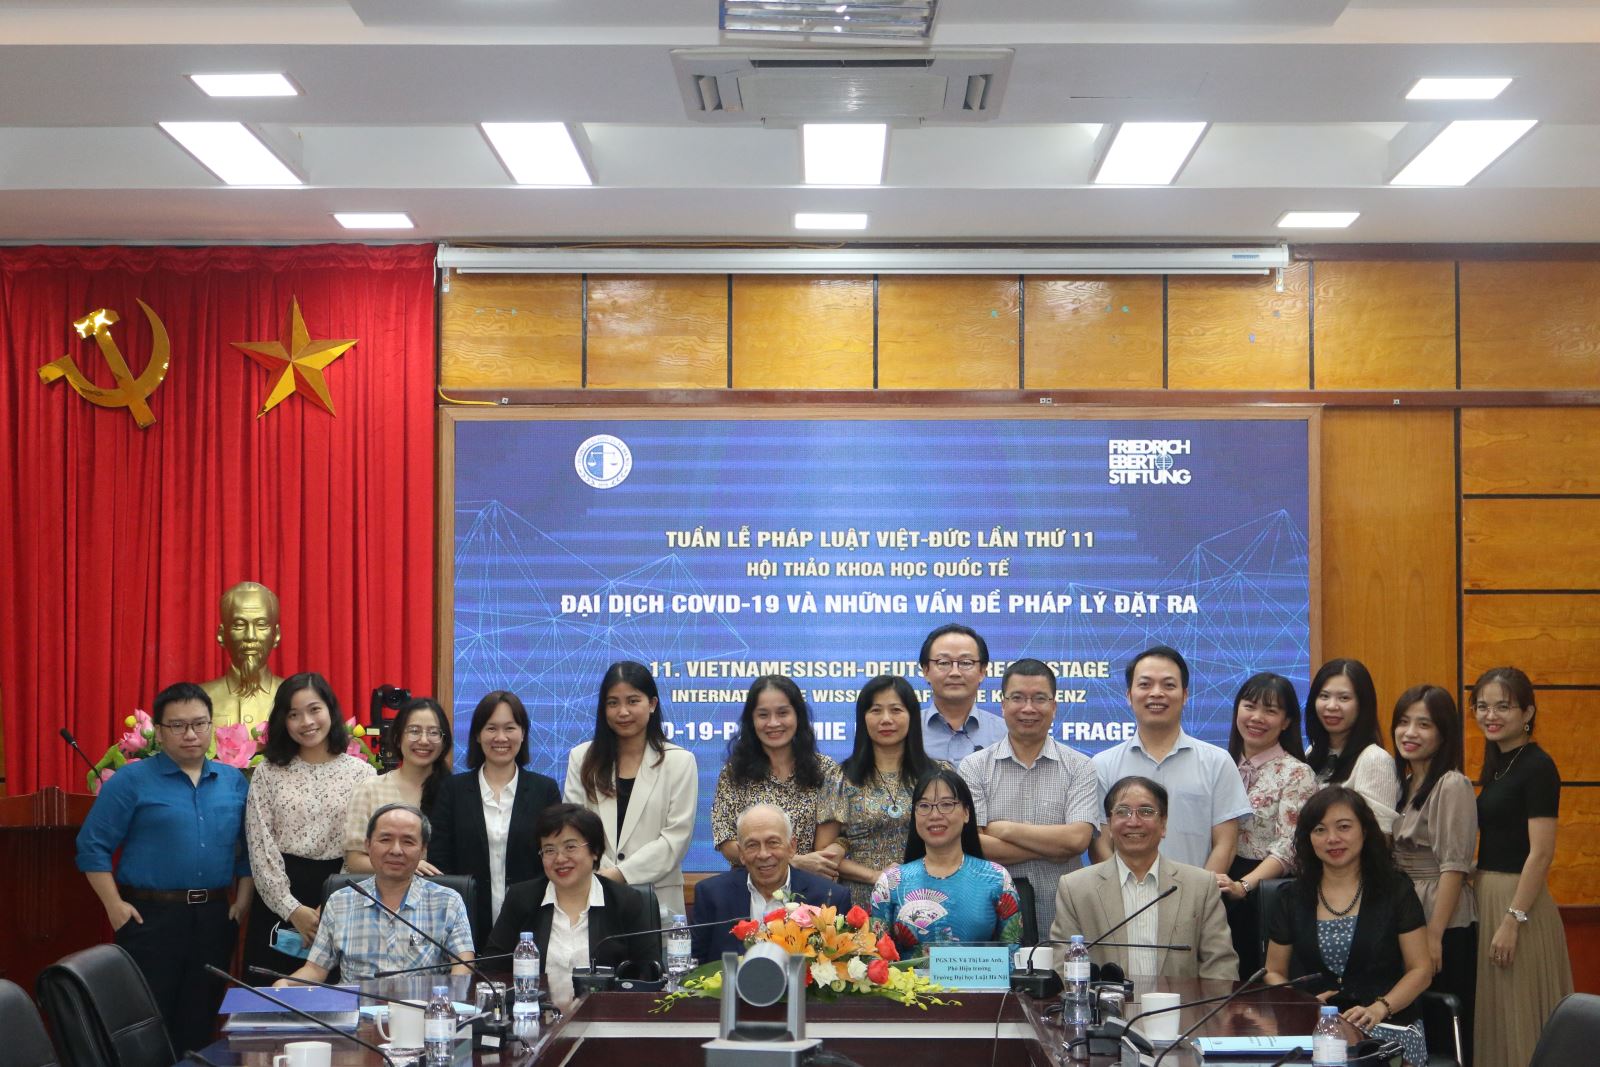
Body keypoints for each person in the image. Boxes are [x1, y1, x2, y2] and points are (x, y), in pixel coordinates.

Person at [75, 682, 253, 1055]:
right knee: (147, 1023)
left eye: (199, 724)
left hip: (214, 917)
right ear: (158, 730)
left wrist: (242, 901)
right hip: (150, 918)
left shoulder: (232, 781)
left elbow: (248, 849)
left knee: (201, 1019)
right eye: (178, 725)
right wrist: (113, 905)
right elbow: (92, 845)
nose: (190, 734)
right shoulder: (131, 781)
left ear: (211, 726)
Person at [1265, 786, 1432, 1067]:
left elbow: (1421, 970)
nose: (1332, 839)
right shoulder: (1292, 897)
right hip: (1316, 1027)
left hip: (1387, 1024)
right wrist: (1301, 1003)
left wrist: (1380, 1007)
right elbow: (1273, 972)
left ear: (1364, 831)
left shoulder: (1395, 889)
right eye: (1320, 830)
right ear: (1308, 838)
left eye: (1343, 827)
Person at [1469, 667, 1572, 1067]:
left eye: (1503, 706)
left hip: (1518, 906)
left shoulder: (1537, 766)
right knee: (1499, 1018)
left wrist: (1513, 919)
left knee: (1521, 1021)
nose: (1490, 715)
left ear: (1527, 712)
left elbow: (1541, 853)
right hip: (1489, 895)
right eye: (1482, 706)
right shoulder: (1499, 763)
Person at [245, 671, 375, 976]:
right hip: (278, 897)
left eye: (314, 709)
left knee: (337, 995)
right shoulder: (268, 772)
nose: (306, 722)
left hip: (342, 893)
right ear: (283, 721)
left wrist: (331, 902)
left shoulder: (362, 774)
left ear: (331, 710)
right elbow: (260, 844)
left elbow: (365, 846)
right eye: (294, 714)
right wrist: (292, 909)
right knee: (273, 995)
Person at [958, 657, 1098, 936]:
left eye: (1039, 698)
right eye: (1018, 698)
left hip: (1063, 920)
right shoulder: (974, 767)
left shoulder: (1080, 766)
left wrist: (1004, 829)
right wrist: (1053, 849)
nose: (1028, 708)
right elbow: (974, 846)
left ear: (1054, 706)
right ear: (1003, 704)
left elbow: (1077, 840)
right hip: (991, 919)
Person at [1051, 776, 1238, 981]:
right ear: (1109, 825)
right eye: (1122, 812)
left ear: (1163, 824)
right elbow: (1063, 969)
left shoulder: (1200, 885)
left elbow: (1220, 966)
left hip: (1183, 1002)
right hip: (1105, 1001)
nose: (1133, 822)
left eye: (1146, 812)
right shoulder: (1075, 888)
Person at [1090, 645, 1251, 873]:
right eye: (1145, 684)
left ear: (1185, 695)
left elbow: (1226, 844)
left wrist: (1199, 890)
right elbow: (1100, 844)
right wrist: (1124, 889)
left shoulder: (1218, 762)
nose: (1156, 693)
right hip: (1123, 894)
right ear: (1129, 696)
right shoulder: (1102, 765)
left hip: (1196, 893)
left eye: (1168, 685)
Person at [487, 804, 659, 1012]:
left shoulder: (626, 902)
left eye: (570, 847)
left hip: (608, 1019)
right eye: (549, 850)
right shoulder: (522, 899)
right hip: (535, 1019)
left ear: (594, 851)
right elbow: (492, 970)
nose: (560, 859)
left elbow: (649, 976)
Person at [278, 804, 474, 985]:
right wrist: (286, 984)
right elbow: (315, 970)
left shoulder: (448, 901)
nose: (396, 850)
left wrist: (447, 1000)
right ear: (368, 845)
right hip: (354, 1008)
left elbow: (464, 966)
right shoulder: (340, 902)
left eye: (408, 841)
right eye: (385, 839)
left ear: (423, 850)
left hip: (420, 1008)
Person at [565, 662, 698, 916]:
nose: (623, 711)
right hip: (593, 893)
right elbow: (574, 829)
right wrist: (600, 874)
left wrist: (619, 874)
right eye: (613, 703)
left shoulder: (680, 762)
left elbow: (675, 838)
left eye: (633, 701)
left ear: (652, 704)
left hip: (657, 898)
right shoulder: (581, 758)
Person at [430, 690, 560, 947]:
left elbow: (554, 857)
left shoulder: (545, 790)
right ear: (478, 735)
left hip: (532, 924)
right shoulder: (453, 790)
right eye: (491, 728)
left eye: (510, 728)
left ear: (523, 733)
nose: (501, 737)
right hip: (465, 923)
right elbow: (440, 859)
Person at [1391, 684, 1478, 1063]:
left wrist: (1434, 935)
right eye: (1403, 722)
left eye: (1424, 724)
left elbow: (1454, 866)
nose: (1410, 732)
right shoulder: (1405, 783)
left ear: (1444, 733)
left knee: (1442, 1029)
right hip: (1406, 909)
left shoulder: (1451, 784)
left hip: (1441, 916)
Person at [1217, 672, 1318, 975]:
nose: (1257, 717)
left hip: (1264, 891)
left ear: (1286, 722)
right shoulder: (1218, 764)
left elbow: (1290, 845)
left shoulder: (1297, 773)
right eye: (1249, 706)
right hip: (1216, 882)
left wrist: (1244, 886)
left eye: (1270, 710)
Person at [815, 674, 942, 907]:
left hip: (928, 894)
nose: (886, 719)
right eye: (876, 710)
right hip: (860, 901)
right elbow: (824, 852)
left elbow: (953, 841)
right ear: (863, 718)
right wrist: (876, 877)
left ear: (912, 716)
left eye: (896, 710)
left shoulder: (937, 775)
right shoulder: (841, 778)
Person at [871, 768, 1023, 950]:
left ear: (966, 813)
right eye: (924, 806)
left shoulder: (997, 878)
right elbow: (875, 957)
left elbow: (1013, 954)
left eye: (946, 804)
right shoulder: (890, 883)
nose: (935, 815)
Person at [709, 675, 838, 876]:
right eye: (763, 715)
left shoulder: (825, 769)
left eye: (783, 713)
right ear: (752, 721)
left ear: (798, 716)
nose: (773, 722)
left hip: (809, 886)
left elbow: (834, 840)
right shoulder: (735, 772)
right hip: (750, 884)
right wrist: (794, 862)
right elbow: (726, 842)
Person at [693, 803, 853, 962]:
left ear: (792, 847)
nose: (763, 854)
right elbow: (695, 966)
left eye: (773, 843)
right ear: (741, 854)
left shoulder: (829, 899)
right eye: (752, 845)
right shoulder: (712, 895)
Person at [344, 696, 453, 875]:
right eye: (414, 731)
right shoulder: (369, 789)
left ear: (444, 741)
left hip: (436, 890)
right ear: (397, 737)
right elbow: (355, 861)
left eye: (433, 733)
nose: (424, 740)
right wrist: (408, 867)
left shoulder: (454, 792)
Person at [1305, 658, 1398, 834]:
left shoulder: (1375, 759)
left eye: (1344, 698)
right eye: (1324, 696)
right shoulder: (1312, 752)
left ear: (1363, 705)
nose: (1331, 706)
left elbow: (1378, 836)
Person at [916, 624, 1007, 763]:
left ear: (982, 671)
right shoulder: (906, 731)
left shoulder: (1006, 734)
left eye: (965, 663)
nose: (955, 673)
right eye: (944, 663)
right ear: (926, 671)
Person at [201, 580, 284, 730]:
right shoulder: (198, 699)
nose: (250, 636)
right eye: (239, 625)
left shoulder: (295, 698)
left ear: (276, 635)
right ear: (221, 634)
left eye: (261, 625)